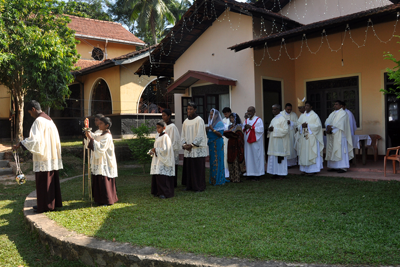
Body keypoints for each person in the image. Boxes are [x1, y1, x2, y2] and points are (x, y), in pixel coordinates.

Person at [13, 100, 63, 213]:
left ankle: (45, 206)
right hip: (51, 154)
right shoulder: (49, 120)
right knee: (50, 180)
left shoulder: (39, 121)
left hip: (44, 156)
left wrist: (20, 144)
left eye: (30, 112)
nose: (31, 115)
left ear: (34, 109)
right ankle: (50, 204)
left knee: (43, 181)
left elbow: (34, 140)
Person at [85, 117, 118, 205]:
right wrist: (87, 129)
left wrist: (91, 138)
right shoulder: (101, 134)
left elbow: (101, 148)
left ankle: (106, 200)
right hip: (100, 160)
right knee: (98, 179)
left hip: (105, 161)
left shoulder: (107, 136)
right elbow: (94, 137)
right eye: (99, 123)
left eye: (101, 124)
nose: (99, 125)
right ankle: (99, 199)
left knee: (104, 180)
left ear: (107, 125)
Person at [181, 102, 208, 192]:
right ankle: (190, 186)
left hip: (196, 149)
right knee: (189, 169)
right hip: (188, 150)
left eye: (191, 109)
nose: (189, 110)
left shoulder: (199, 120)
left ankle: (199, 187)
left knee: (197, 169)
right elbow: (183, 134)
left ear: (195, 109)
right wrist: (184, 144)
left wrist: (192, 145)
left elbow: (200, 135)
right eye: (188, 109)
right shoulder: (185, 121)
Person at [325, 100, 354, 173]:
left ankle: (342, 167)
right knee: (332, 149)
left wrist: (331, 128)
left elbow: (340, 123)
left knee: (340, 150)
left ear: (341, 106)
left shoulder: (344, 113)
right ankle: (333, 166)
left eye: (337, 104)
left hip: (340, 135)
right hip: (332, 134)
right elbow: (327, 120)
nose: (335, 105)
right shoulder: (332, 113)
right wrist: (327, 126)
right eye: (334, 104)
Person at [295, 101, 324, 175]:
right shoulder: (302, 116)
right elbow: (297, 125)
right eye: (305, 106)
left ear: (311, 107)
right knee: (304, 152)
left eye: (308, 106)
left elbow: (318, 126)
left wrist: (308, 126)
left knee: (311, 152)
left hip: (311, 138)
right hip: (304, 138)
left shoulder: (314, 116)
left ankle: (313, 170)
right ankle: (304, 169)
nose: (306, 107)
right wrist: (301, 126)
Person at [150, 121, 175, 199]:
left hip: (163, 160)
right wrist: (153, 151)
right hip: (158, 159)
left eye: (159, 127)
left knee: (163, 177)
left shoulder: (165, 137)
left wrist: (156, 150)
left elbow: (165, 150)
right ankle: (158, 191)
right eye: (156, 127)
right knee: (158, 176)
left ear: (164, 128)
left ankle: (165, 193)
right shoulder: (158, 136)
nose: (157, 129)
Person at [266, 104, 290, 178]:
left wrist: (274, 130)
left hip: (280, 143)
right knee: (274, 157)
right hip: (273, 143)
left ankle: (282, 174)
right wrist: (269, 130)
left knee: (280, 158)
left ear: (278, 110)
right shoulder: (273, 119)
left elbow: (285, 130)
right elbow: (270, 130)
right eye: (272, 109)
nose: (273, 111)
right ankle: (275, 172)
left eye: (275, 109)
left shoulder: (282, 119)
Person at [206, 108, 229, 185]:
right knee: (212, 160)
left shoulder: (219, 123)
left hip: (218, 143)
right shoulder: (211, 123)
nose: (211, 116)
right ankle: (213, 179)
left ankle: (219, 178)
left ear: (216, 115)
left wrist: (213, 130)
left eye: (212, 114)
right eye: (210, 114)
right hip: (211, 144)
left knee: (218, 160)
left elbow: (220, 134)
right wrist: (207, 129)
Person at [243, 106, 265, 180]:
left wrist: (252, 127)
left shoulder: (258, 120)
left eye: (250, 111)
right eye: (248, 111)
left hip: (255, 142)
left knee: (256, 157)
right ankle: (250, 173)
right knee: (248, 157)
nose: (249, 112)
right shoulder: (246, 120)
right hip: (247, 142)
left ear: (254, 112)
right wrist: (245, 128)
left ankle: (257, 174)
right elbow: (243, 128)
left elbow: (261, 129)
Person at [161, 109, 180, 187]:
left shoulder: (172, 127)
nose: (163, 117)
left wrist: (169, 149)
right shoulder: (164, 126)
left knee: (172, 166)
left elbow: (175, 139)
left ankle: (173, 183)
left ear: (169, 116)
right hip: (164, 150)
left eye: (165, 115)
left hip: (171, 150)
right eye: (162, 115)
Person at [224, 113, 245, 182]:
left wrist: (235, 136)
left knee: (235, 160)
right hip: (231, 144)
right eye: (230, 118)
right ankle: (231, 177)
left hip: (236, 145)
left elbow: (240, 136)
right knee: (230, 160)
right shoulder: (231, 126)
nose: (231, 119)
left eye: (232, 118)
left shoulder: (238, 126)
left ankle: (236, 178)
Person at [280, 103, 298, 167]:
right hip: (284, 134)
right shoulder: (281, 114)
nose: (289, 111)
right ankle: (285, 164)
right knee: (285, 148)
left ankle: (292, 163)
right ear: (285, 108)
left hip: (291, 134)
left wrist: (291, 122)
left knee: (291, 148)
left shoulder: (294, 114)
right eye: (288, 109)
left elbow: (298, 123)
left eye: (290, 109)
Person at [222, 107, 232, 179]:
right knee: (225, 155)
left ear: (229, 112)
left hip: (231, 139)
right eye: (224, 114)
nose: (225, 115)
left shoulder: (233, 119)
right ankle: (226, 172)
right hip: (225, 139)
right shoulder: (223, 120)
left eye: (226, 114)